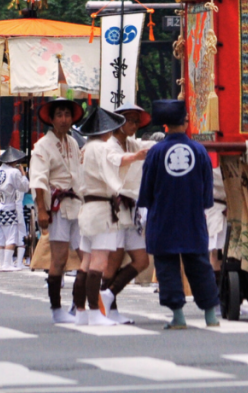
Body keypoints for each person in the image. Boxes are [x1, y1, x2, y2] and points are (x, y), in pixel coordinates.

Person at [138, 99, 220, 330]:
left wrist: (148, 206)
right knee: (200, 265)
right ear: (185, 122)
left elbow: (146, 191)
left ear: (165, 125)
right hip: (192, 217)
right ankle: (210, 316)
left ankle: (178, 316)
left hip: (163, 218)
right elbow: (207, 190)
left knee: (167, 265)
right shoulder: (199, 150)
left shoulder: (155, 152)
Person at [74, 106, 140, 326]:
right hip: (101, 209)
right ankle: (94, 312)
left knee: (85, 263)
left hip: (87, 208)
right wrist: (135, 160)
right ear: (106, 131)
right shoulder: (101, 148)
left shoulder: (84, 148)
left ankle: (82, 312)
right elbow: (113, 171)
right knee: (98, 263)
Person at [29, 97, 85, 322]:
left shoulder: (73, 142)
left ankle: (77, 305)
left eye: (67, 115)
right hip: (58, 207)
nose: (64, 120)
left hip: (78, 205)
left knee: (88, 257)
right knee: (59, 260)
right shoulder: (42, 146)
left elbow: (79, 176)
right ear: (51, 120)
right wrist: (42, 210)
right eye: (59, 115)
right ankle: (56, 309)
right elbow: (38, 180)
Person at [101, 102, 152, 325]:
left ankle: (108, 296)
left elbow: (150, 146)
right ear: (118, 122)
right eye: (129, 119)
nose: (133, 124)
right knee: (113, 262)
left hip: (132, 207)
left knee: (141, 260)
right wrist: (136, 157)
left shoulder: (133, 143)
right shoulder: (109, 145)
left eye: (135, 120)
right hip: (115, 207)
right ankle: (107, 308)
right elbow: (116, 159)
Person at [0, 146, 29, 272]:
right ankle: (7, 264)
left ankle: (2, 263)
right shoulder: (14, 172)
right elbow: (24, 187)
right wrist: (24, 175)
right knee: (11, 237)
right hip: (9, 207)